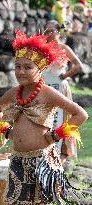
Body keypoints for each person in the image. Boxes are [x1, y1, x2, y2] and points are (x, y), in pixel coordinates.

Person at [0, 30, 88, 204]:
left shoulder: (48, 93)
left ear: (41, 68)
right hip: (18, 159)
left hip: (42, 159)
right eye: (17, 66)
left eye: (28, 67)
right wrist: (6, 130)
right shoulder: (14, 93)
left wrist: (54, 136)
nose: (21, 71)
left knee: (41, 201)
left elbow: (81, 114)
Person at [42, 20, 84, 161]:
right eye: (46, 31)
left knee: (60, 118)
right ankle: (44, 148)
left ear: (58, 32)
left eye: (51, 31)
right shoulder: (41, 48)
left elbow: (78, 66)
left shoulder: (63, 48)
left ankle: (61, 151)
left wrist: (64, 75)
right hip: (45, 87)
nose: (48, 34)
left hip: (59, 86)